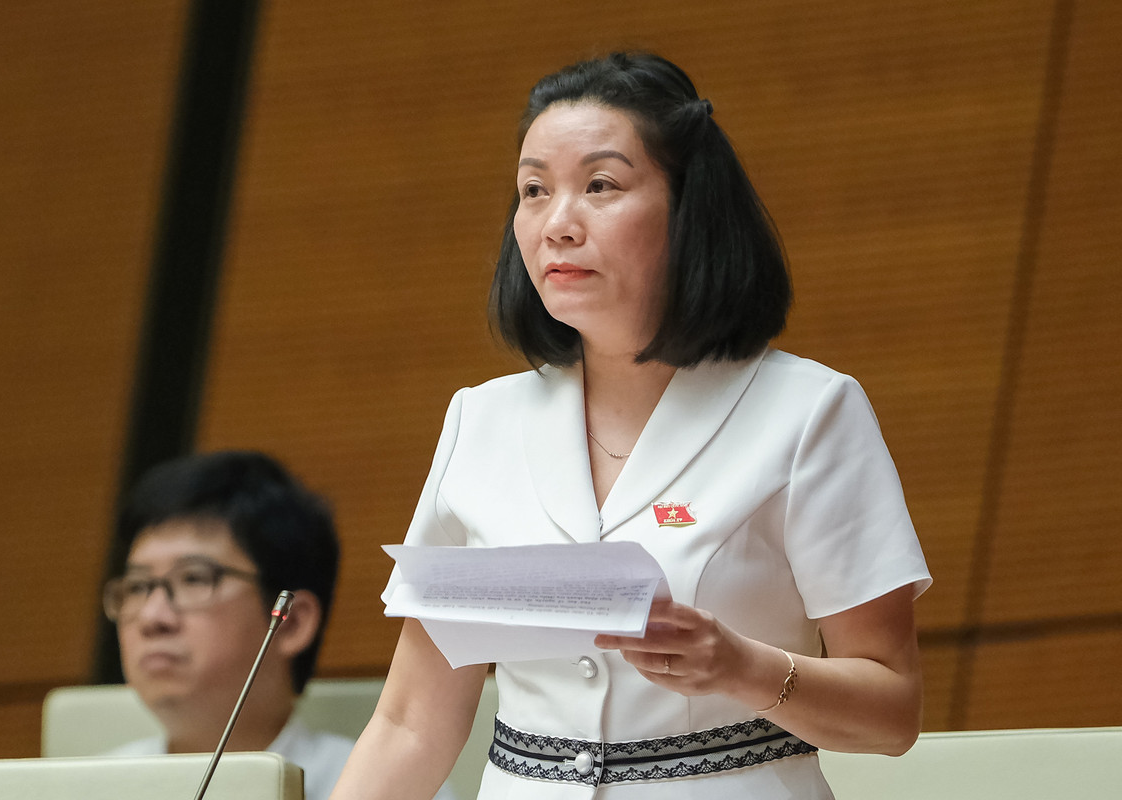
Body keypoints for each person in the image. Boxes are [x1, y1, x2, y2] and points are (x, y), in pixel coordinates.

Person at [327, 52, 931, 800]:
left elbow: (892, 711)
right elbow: (410, 726)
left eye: (600, 185)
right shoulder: (479, 421)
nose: (557, 224)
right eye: (534, 191)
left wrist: (741, 667)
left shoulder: (808, 411)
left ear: (689, 207)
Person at [101, 451, 461, 800]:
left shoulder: (399, 787)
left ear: (292, 623)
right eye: (137, 587)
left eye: (193, 578)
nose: (152, 617)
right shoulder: (92, 784)